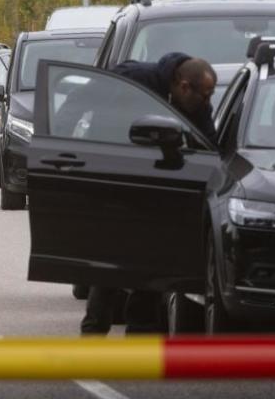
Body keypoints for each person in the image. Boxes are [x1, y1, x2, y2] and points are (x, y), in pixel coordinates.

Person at [81, 52, 218, 336]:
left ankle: (140, 334)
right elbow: (81, 103)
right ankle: (93, 332)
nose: (207, 103)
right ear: (183, 86)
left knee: (152, 261)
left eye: (209, 96)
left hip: (159, 189)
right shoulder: (134, 80)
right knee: (110, 262)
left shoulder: (197, 104)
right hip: (116, 181)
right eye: (203, 96)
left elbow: (208, 146)